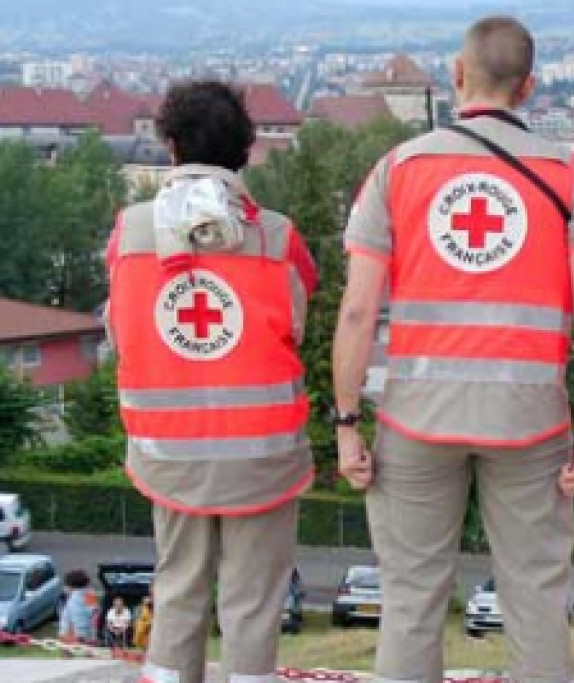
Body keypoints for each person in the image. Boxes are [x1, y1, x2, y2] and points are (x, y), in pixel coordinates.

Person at [332, 15, 574, 683]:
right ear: (530, 87)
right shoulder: (573, 177)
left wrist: (346, 422)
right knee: (537, 601)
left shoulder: (397, 169)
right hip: (532, 422)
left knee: (409, 603)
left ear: (458, 77)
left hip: (415, 419)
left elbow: (356, 310)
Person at [106, 80, 317, 683]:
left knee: (178, 591)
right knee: (253, 606)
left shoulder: (129, 233)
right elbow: (295, 327)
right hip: (263, 454)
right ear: (246, 149)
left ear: (169, 146)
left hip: (169, 452)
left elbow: (121, 335)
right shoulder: (277, 236)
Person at [58, 570, 98, 645]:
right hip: (88, 633)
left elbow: (68, 618)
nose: (64, 588)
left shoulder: (73, 600)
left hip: (73, 633)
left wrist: (63, 633)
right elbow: (94, 614)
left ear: (71, 587)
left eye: (66, 586)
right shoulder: (90, 594)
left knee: (72, 652)